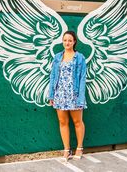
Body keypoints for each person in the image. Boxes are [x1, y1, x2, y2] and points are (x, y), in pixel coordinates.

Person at [48, 30, 87, 162]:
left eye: (70, 40)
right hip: (60, 94)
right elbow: (52, 76)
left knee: (77, 122)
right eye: (65, 40)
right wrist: (51, 95)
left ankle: (79, 148)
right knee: (63, 122)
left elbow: (82, 78)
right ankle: (66, 149)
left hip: (74, 95)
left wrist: (80, 98)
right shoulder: (58, 57)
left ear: (74, 42)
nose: (67, 43)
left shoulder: (80, 57)